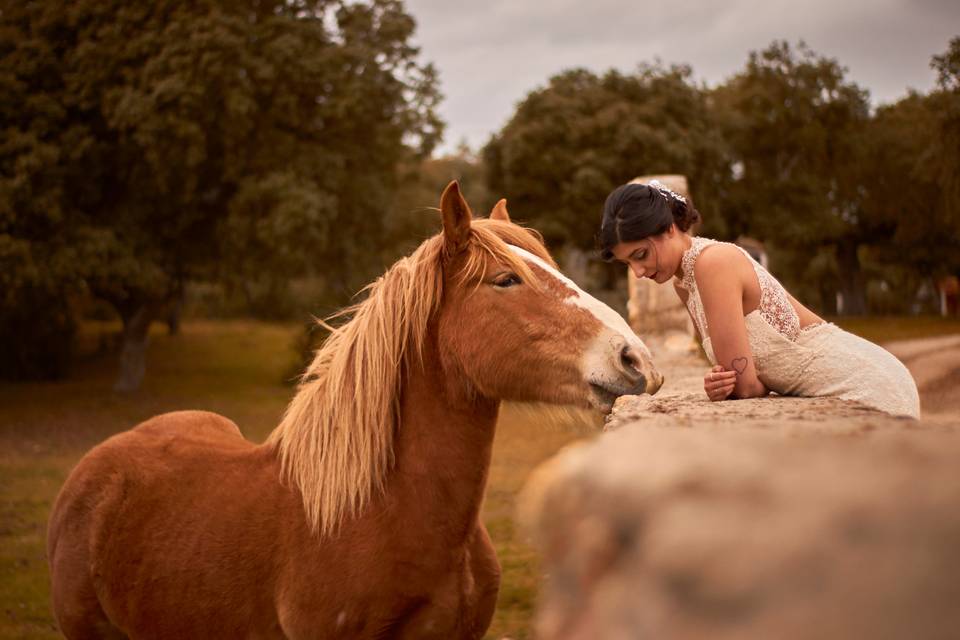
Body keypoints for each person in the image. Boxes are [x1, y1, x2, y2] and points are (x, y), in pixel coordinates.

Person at [597, 181, 920, 419]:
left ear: (668, 229)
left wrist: (736, 382)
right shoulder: (685, 282)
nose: (638, 272)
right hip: (829, 387)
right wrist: (718, 383)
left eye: (640, 255)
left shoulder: (714, 263)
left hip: (861, 381)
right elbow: (734, 376)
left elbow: (747, 387)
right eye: (628, 263)